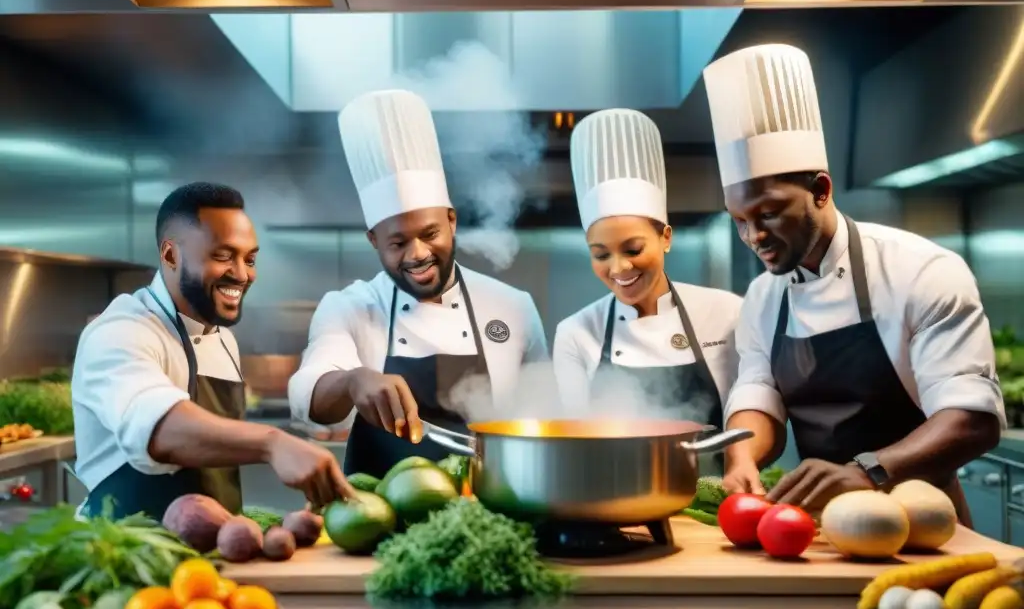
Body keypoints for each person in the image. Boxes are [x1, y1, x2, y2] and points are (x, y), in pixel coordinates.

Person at [703, 43, 1005, 521]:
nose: (753, 236)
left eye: (769, 214)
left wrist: (870, 471)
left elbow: (971, 419)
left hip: (924, 524)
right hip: (818, 526)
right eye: (738, 220)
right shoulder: (764, 295)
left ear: (821, 190)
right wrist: (741, 455)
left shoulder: (921, 271)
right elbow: (758, 389)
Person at [288, 89, 548, 478]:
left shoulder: (513, 306)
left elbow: (547, 418)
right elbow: (307, 396)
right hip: (378, 521)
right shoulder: (350, 307)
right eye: (397, 242)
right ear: (374, 240)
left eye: (430, 233)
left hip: (492, 515)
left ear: (452, 220)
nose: (417, 254)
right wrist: (353, 381)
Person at [72, 182, 352, 520]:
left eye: (249, 259)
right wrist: (271, 443)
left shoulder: (223, 339)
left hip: (214, 551)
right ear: (170, 255)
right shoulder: (120, 331)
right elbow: (157, 426)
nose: (242, 274)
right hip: (128, 553)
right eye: (222, 256)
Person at [552, 109, 743, 442]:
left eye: (633, 249)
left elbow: (750, 410)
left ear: (665, 237)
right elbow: (578, 439)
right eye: (600, 254)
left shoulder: (727, 313)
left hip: (714, 488)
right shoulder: (575, 333)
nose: (618, 268)